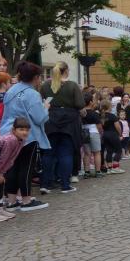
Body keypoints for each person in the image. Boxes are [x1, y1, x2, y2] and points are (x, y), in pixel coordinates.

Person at [0, 61, 49, 211]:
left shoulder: (12, 90)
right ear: (35, 77)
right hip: (27, 134)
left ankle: (12, 201)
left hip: (9, 131)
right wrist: (46, 108)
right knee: (26, 168)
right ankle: (26, 200)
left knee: (12, 167)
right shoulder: (32, 94)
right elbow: (39, 118)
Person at [39, 62, 84, 193]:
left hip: (51, 119)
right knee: (66, 153)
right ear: (66, 71)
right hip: (69, 122)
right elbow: (80, 104)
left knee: (48, 153)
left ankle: (45, 184)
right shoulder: (72, 85)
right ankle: (65, 185)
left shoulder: (45, 85)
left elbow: (43, 101)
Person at [0, 117, 30, 224]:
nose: (24, 132)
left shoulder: (21, 141)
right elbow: (3, 157)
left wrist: (2, 173)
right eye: (21, 129)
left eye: (27, 130)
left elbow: (11, 159)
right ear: (14, 130)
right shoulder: (11, 140)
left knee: (1, 181)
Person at [101, 100, 124, 174]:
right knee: (119, 150)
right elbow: (117, 126)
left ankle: (109, 168)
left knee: (109, 151)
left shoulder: (101, 116)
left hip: (105, 134)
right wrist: (120, 134)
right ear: (109, 106)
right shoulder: (112, 116)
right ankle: (115, 167)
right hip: (113, 134)